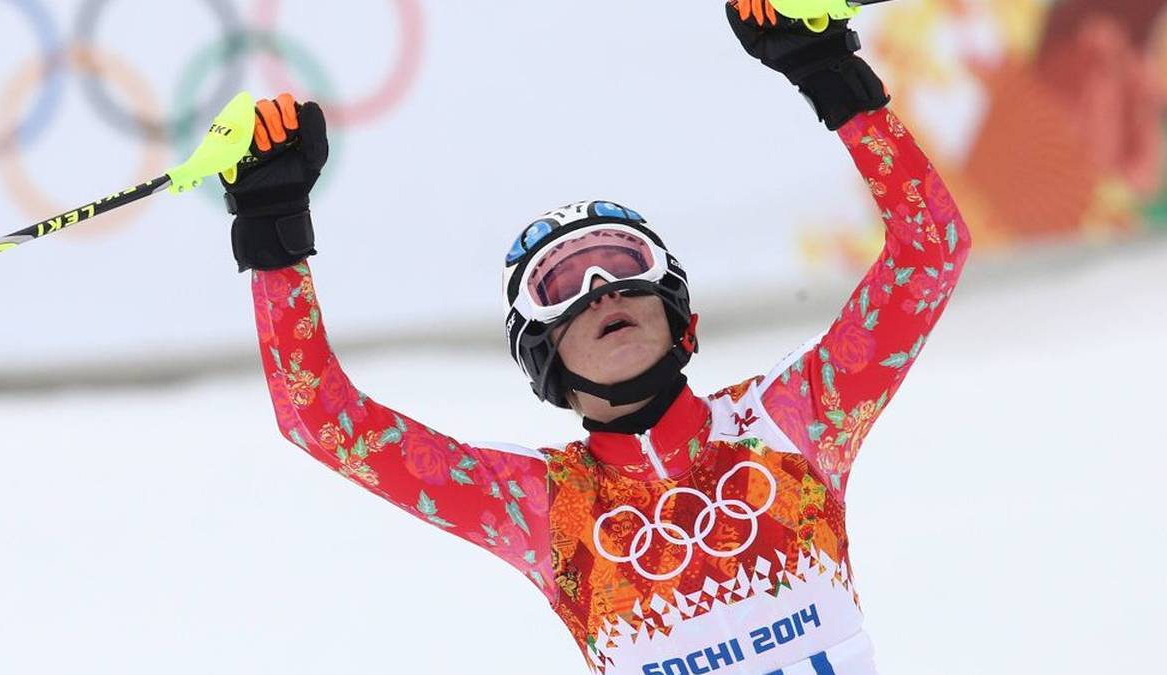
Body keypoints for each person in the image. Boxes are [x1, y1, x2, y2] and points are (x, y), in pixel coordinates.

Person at [221, 3, 972, 673]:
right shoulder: (541, 505)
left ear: (683, 318)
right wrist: (275, 238)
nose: (602, 290)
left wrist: (834, 79)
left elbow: (931, 250)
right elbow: (321, 418)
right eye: (562, 289)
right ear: (542, 360)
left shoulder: (794, 420)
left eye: (625, 266)